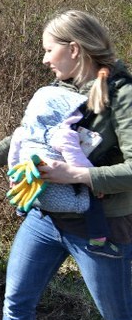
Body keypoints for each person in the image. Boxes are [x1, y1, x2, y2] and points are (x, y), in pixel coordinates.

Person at [0, 10, 132, 320]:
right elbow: (28, 136)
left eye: (49, 50)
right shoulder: (59, 91)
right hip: (45, 218)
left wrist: (75, 175)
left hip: (100, 227)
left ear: (74, 49)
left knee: (120, 319)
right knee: (16, 301)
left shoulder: (123, 95)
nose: (44, 59)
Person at [7, 85, 118, 257]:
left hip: (35, 189)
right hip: (62, 192)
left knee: (28, 184)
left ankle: (21, 209)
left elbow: (14, 158)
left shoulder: (21, 132)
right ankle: (98, 241)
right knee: (93, 202)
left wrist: (14, 177)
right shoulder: (62, 135)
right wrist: (94, 181)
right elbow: (77, 162)